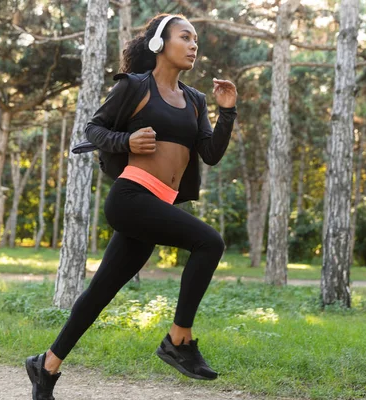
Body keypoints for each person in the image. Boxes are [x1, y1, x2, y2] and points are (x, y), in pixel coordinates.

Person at [25, 12, 237, 399]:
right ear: (160, 43)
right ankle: (179, 341)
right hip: (131, 197)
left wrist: (227, 112)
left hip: (158, 203)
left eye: (196, 41)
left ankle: (46, 365)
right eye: (185, 37)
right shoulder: (136, 86)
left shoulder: (194, 100)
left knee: (100, 291)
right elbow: (94, 129)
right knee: (210, 242)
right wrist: (126, 142)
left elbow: (210, 153)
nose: (193, 45)